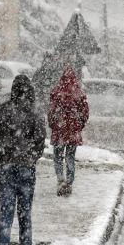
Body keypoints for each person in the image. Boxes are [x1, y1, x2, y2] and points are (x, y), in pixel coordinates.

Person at [0, 75, 46, 245]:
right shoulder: (34, 112)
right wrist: (31, 156)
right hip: (26, 168)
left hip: (5, 166)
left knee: (6, 214)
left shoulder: (2, 110)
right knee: (25, 215)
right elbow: (40, 138)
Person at [47, 66, 89, 196]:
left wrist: (53, 125)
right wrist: (79, 125)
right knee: (70, 157)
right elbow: (85, 113)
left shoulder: (56, 92)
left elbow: (51, 111)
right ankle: (69, 182)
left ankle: (60, 179)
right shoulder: (79, 93)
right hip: (73, 132)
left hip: (59, 131)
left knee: (58, 157)